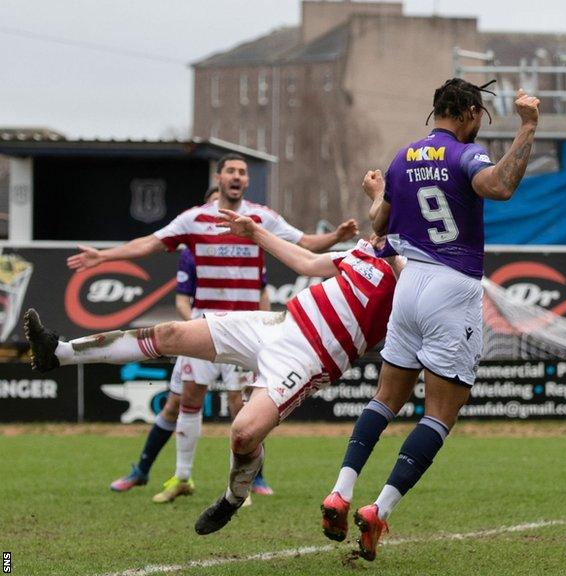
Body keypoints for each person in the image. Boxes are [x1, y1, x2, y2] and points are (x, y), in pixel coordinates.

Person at [24, 224, 399, 536]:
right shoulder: (360, 252)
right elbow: (306, 260)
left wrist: (389, 217)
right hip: (278, 325)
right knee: (170, 333)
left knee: (243, 433)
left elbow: (392, 235)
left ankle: (233, 498)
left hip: (308, 359)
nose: (379, 227)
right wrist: (254, 232)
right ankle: (59, 353)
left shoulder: (409, 273)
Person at [319, 78, 539, 561]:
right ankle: (378, 510)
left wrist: (376, 191)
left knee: (385, 399)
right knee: (439, 413)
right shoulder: (465, 155)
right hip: (452, 287)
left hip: (410, 283)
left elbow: (379, 225)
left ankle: (340, 490)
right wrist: (528, 127)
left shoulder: (402, 158)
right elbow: (499, 186)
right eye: (481, 115)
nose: (481, 124)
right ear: (468, 113)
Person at [68, 154, 357, 502]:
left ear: (246, 181)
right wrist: (102, 257)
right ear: (219, 177)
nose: (237, 176)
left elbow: (306, 244)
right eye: (231, 171)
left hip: (247, 330)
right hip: (206, 326)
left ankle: (246, 482)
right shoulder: (193, 219)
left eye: (242, 172)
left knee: (243, 406)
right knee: (189, 397)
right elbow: (149, 243)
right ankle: (182, 477)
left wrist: (337, 237)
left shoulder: (261, 217)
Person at [110, 188, 275, 501]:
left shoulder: (250, 245)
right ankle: (145, 470)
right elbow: (183, 301)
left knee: (242, 406)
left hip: (241, 334)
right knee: (178, 402)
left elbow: (261, 291)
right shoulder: (193, 250)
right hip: (203, 333)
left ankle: (254, 478)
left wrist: (263, 326)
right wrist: (194, 330)